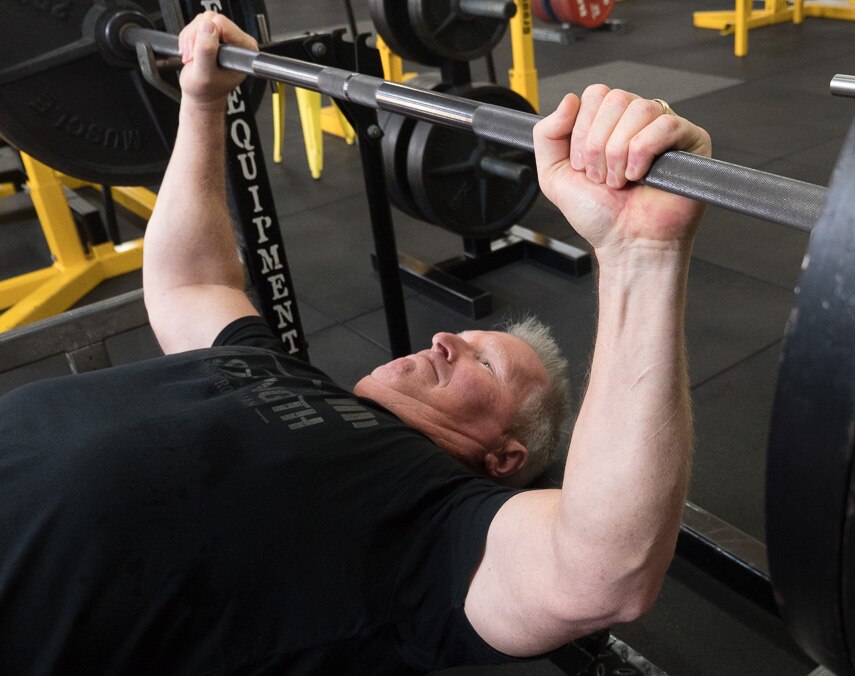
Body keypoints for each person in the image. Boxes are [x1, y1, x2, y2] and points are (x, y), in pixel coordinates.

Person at [0, 11, 710, 674]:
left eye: (484, 362)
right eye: (463, 337)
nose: (443, 339)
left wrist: (640, 253)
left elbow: (595, 572)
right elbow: (191, 282)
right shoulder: (279, 370)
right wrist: (204, 102)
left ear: (504, 456)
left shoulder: (434, 527)